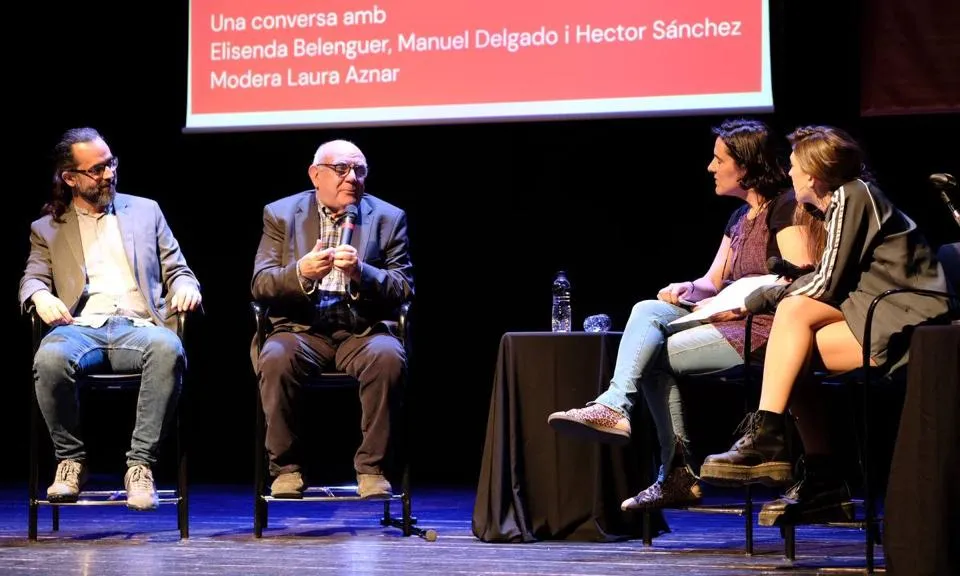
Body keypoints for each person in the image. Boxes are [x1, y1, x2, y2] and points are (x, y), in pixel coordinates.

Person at [547, 118, 824, 511]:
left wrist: (739, 303)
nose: (711, 168)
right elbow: (712, 281)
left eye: (719, 159)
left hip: (764, 328)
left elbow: (797, 277)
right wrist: (687, 290)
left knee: (651, 359)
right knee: (647, 309)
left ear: (744, 167)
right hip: (726, 317)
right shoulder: (738, 219)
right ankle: (615, 408)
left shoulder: (784, 208)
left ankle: (673, 472)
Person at [698, 125, 952, 525]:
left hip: (906, 318)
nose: (790, 173)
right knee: (788, 350)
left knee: (793, 321)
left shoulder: (854, 194)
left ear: (813, 175)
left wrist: (753, 303)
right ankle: (822, 479)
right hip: (869, 309)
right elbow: (825, 281)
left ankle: (772, 439)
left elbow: (826, 281)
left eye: (795, 166)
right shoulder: (836, 204)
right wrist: (764, 298)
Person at [19, 127, 202, 510]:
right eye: (97, 169)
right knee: (49, 359)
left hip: (140, 326)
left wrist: (187, 286)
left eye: (111, 163)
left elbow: (178, 269)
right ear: (70, 178)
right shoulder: (47, 228)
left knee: (169, 350)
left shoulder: (146, 211)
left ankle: (141, 466)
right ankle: (70, 459)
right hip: (80, 327)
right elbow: (33, 276)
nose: (109, 174)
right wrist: (39, 295)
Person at [251, 139, 414, 500]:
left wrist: (363, 274)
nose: (351, 178)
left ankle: (372, 469)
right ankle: (286, 469)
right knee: (275, 358)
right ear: (316, 175)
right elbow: (260, 285)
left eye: (359, 171)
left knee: (388, 357)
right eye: (341, 170)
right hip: (301, 331)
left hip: (362, 331)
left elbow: (404, 288)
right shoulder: (280, 214)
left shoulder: (388, 218)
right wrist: (301, 272)